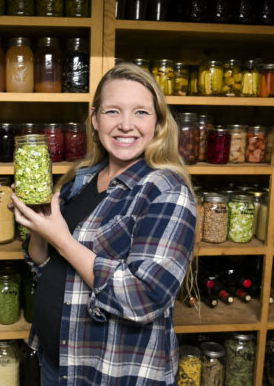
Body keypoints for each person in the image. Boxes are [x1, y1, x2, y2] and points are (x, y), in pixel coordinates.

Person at [10, 62, 197, 385]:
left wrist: (64, 240)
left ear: (158, 123)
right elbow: (47, 266)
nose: (126, 125)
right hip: (56, 364)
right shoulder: (81, 180)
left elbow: (146, 295)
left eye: (141, 112)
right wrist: (38, 228)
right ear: (95, 119)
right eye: (113, 112)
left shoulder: (166, 191)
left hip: (111, 375)